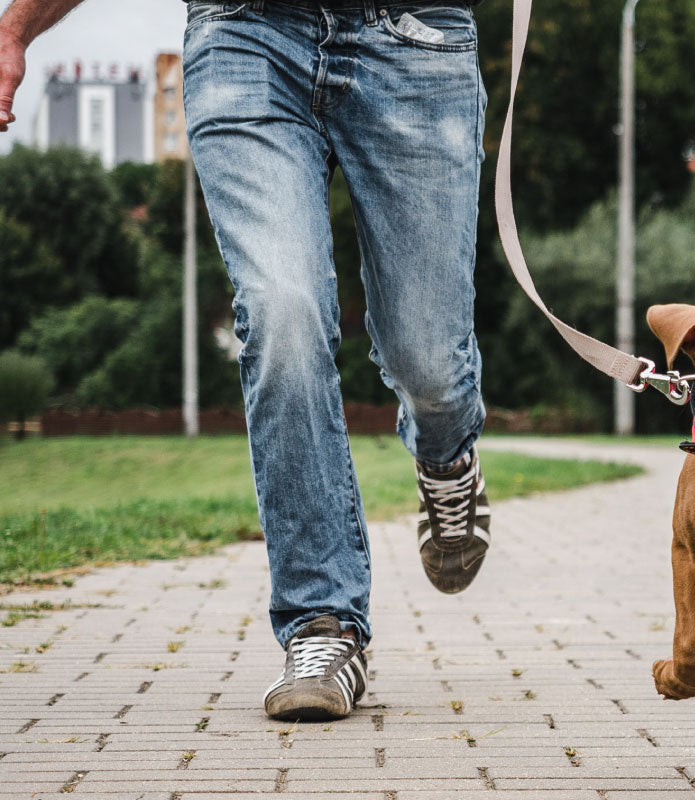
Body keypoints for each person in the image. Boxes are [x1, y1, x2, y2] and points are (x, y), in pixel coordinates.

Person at [0, 0, 493, 722]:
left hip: (415, 39)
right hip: (245, 34)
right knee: (281, 314)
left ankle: (447, 461)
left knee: (427, 359)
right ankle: (322, 623)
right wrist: (14, 29)